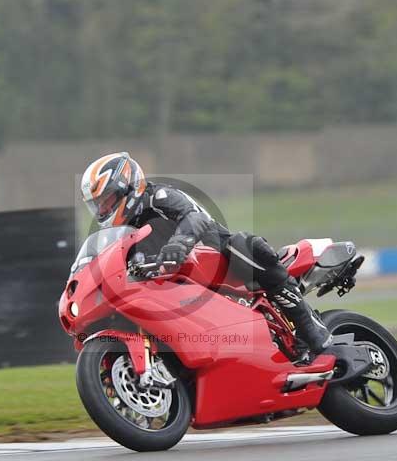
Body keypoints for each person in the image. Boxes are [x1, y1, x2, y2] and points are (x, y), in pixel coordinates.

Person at [80, 152, 333, 358]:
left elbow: (195, 216)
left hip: (218, 259)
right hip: (177, 288)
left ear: (129, 186)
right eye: (98, 204)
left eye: (108, 199)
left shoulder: (159, 197)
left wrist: (179, 243)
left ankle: (310, 326)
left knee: (244, 243)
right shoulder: (122, 234)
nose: (104, 208)